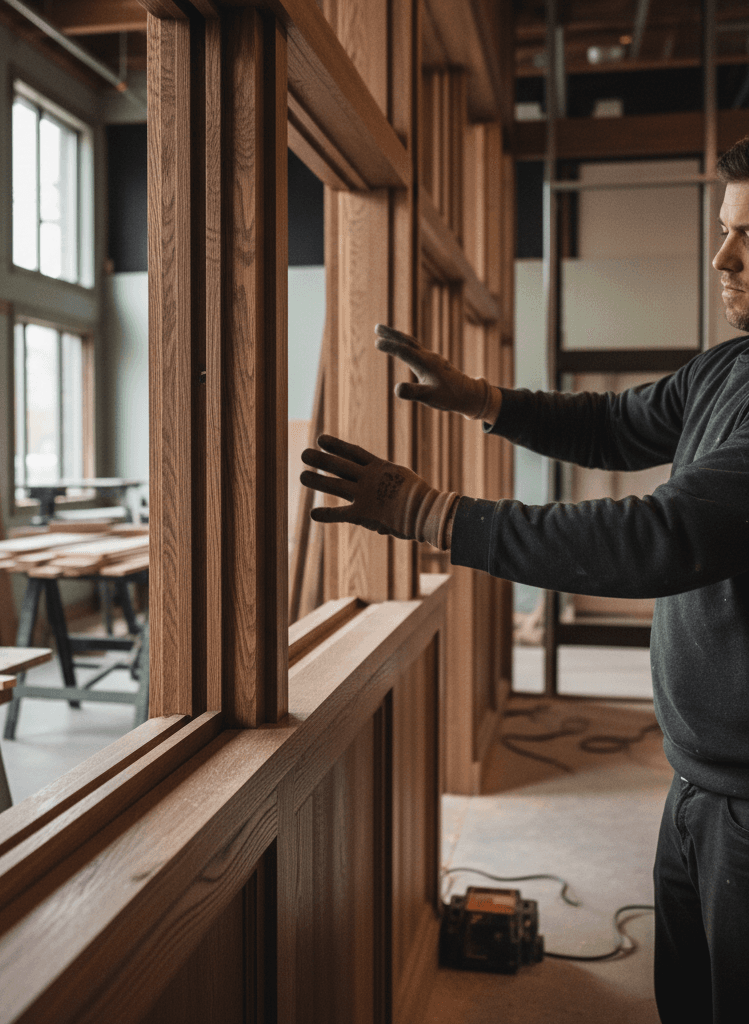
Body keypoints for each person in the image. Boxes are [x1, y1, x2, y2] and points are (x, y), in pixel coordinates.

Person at [300, 135, 749, 1024]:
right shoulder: (728, 369)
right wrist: (483, 399)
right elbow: (614, 425)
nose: (722, 257)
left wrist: (431, 514)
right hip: (701, 780)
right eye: (726, 229)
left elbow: (657, 538)